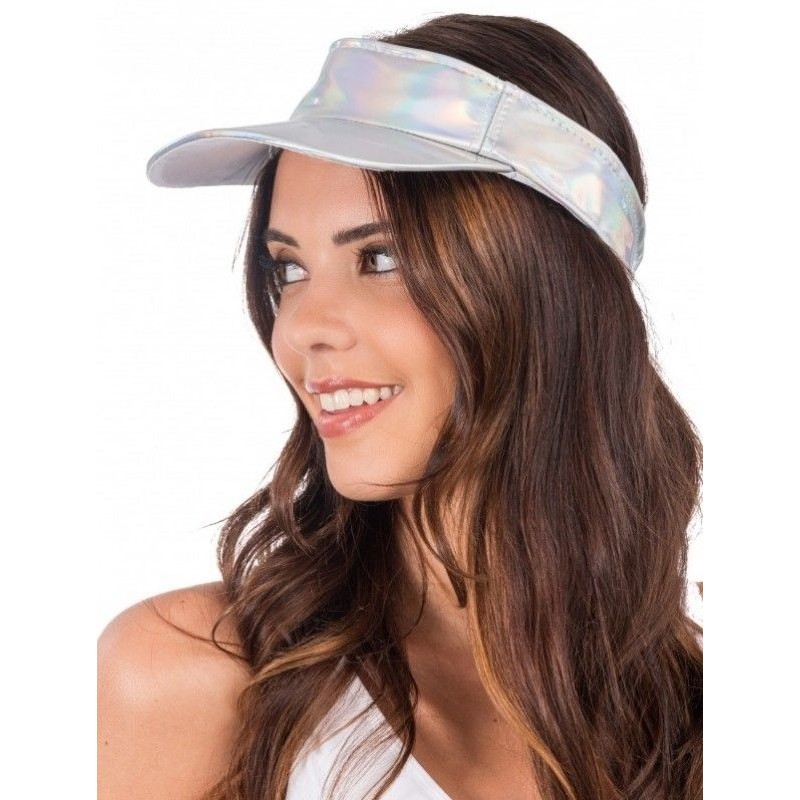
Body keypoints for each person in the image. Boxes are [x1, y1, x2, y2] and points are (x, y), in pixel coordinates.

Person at [98, 13, 703, 800]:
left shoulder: (702, 710)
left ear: (545, 291)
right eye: (289, 269)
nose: (301, 329)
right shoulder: (186, 679)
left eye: (379, 257)